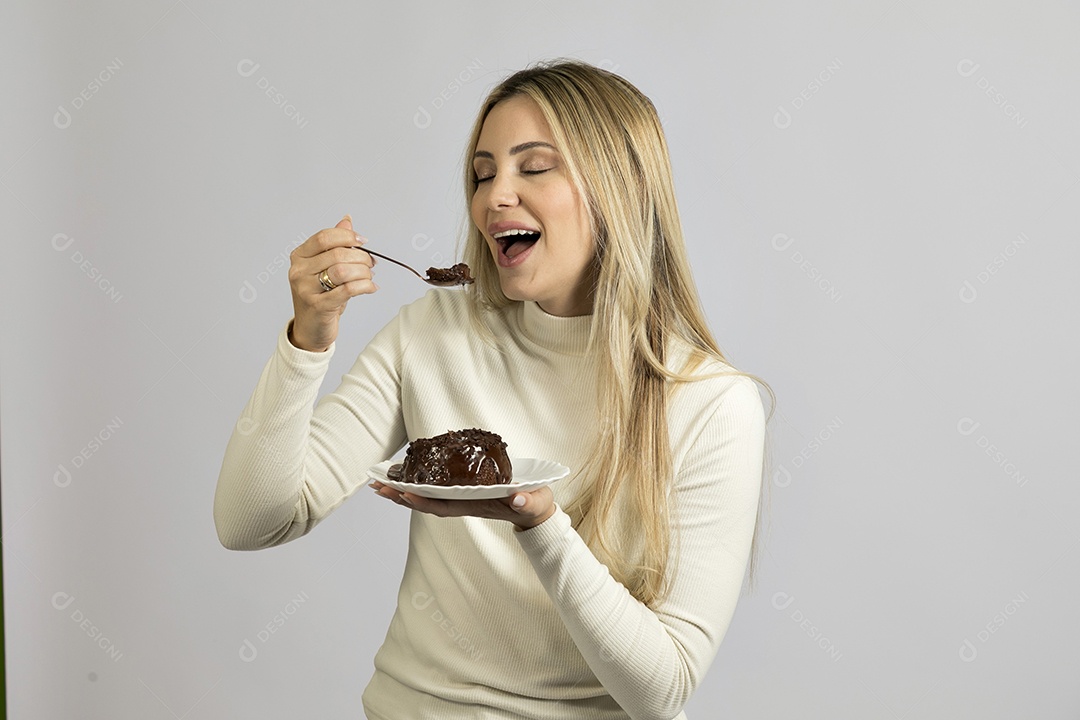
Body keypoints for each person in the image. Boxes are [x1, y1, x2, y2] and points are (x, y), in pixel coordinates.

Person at [214, 58, 775, 719]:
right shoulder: (432, 334)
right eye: (482, 174)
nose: (493, 197)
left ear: (622, 187)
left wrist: (541, 525)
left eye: (533, 167)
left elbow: (660, 691)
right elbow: (251, 520)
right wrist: (307, 338)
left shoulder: (712, 404)